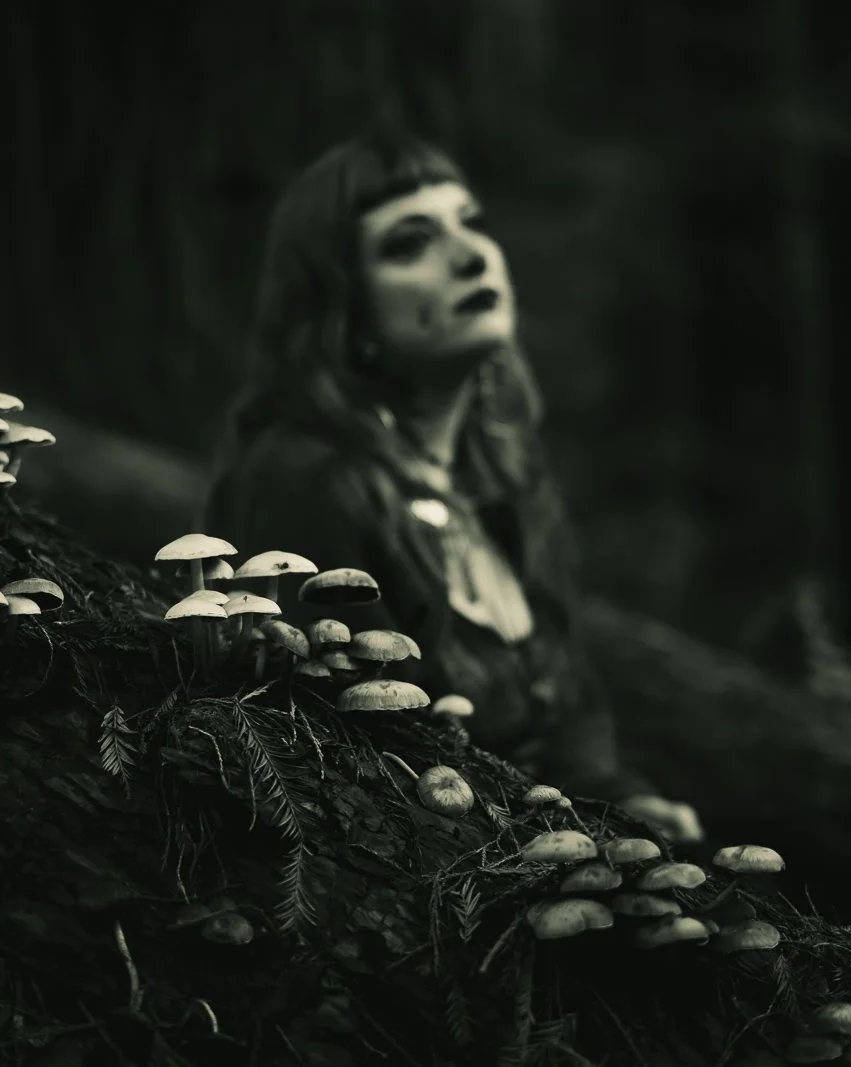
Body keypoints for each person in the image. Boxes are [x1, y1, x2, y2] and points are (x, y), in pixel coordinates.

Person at [202, 129, 703, 844]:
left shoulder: (509, 488)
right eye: (410, 243)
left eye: (471, 223)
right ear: (345, 311)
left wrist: (625, 802)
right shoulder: (301, 481)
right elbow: (319, 764)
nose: (471, 255)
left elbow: (575, 719)